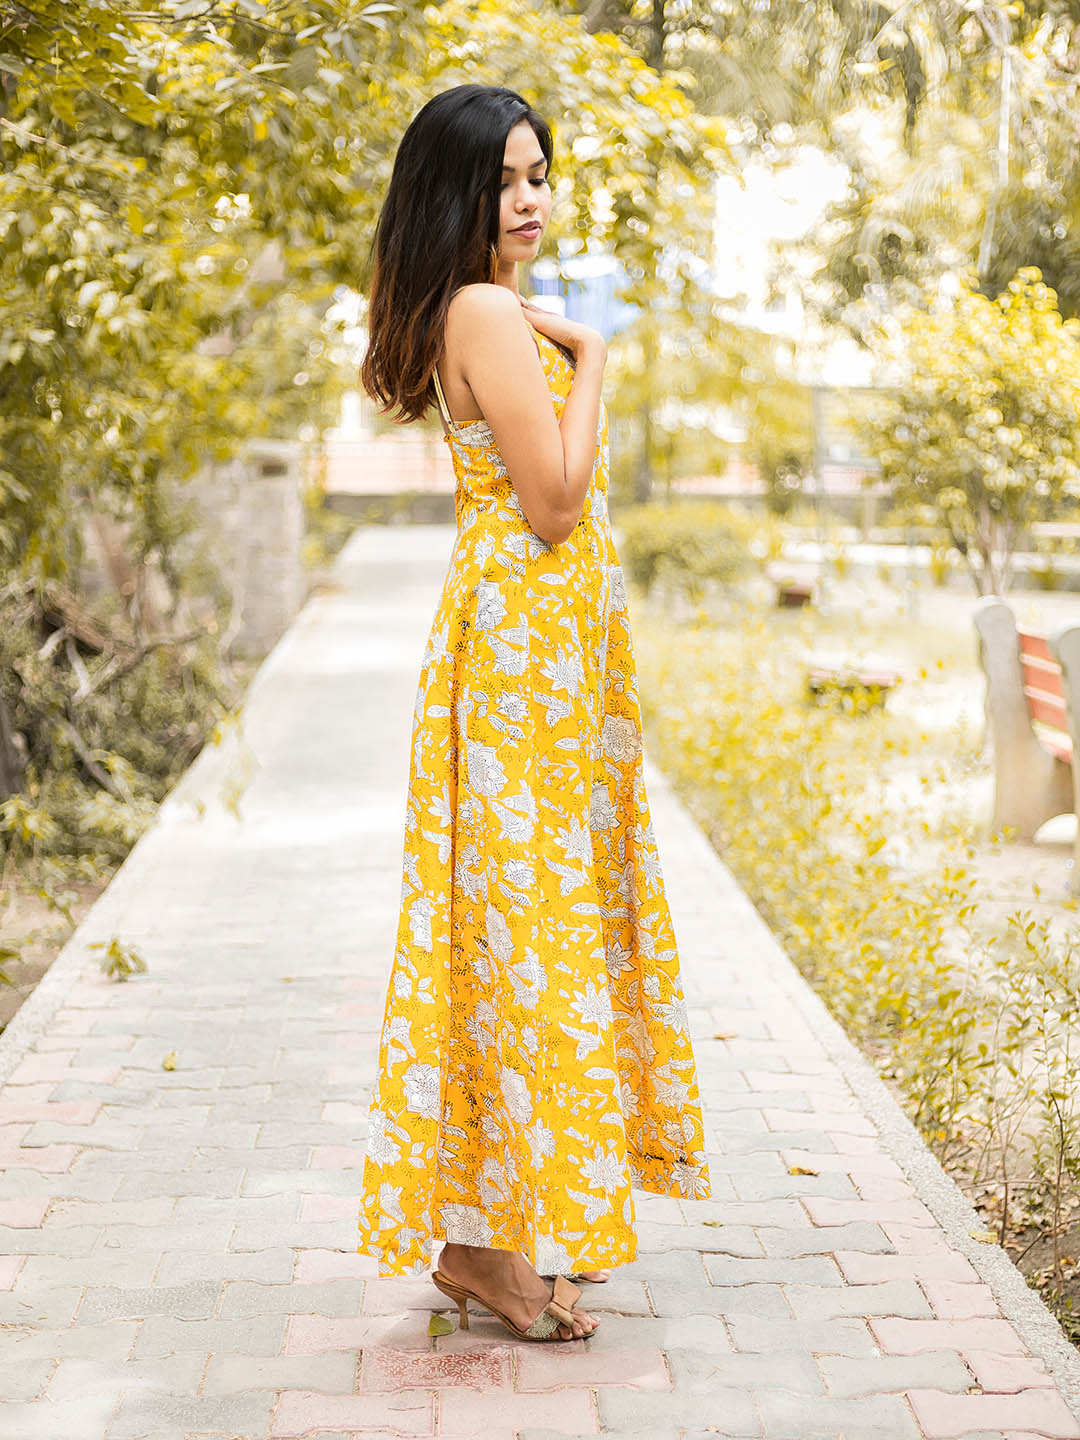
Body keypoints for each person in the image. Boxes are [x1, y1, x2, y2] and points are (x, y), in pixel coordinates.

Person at [356, 82, 710, 1344]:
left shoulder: (474, 311)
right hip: (523, 669)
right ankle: (490, 1250)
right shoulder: (494, 314)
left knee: (511, 932)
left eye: (541, 174)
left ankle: (491, 1232)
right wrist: (596, 355)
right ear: (457, 192)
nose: (531, 199)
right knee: (531, 935)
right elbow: (554, 503)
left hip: (524, 657)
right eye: (506, 178)